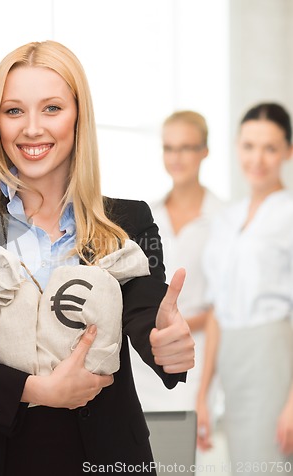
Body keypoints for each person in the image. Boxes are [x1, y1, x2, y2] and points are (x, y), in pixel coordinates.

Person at [0, 41, 195, 476]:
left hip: (97, 453)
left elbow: (145, 310)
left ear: (79, 118)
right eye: (14, 111)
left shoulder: (129, 220)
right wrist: (34, 389)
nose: (32, 128)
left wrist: (164, 343)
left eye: (52, 108)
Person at [199, 102, 293, 473]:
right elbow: (217, 311)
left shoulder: (289, 213)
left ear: (288, 150)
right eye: (249, 146)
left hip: (274, 359)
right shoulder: (227, 219)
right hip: (230, 364)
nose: (258, 158)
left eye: (270, 148)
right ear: (237, 147)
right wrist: (204, 394)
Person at [129, 111, 223, 415]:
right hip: (145, 355)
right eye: (169, 148)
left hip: (193, 356)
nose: (176, 157)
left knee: (183, 455)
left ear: (204, 151)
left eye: (186, 147)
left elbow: (220, 310)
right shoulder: (144, 216)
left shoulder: (225, 218)